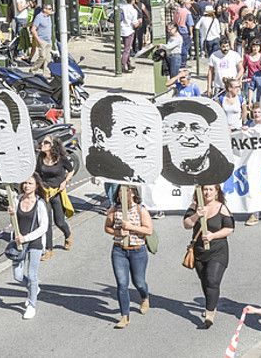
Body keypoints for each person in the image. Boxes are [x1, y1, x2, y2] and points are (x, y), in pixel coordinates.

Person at [182, 184, 235, 329]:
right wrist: (196, 215)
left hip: (218, 251)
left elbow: (230, 228)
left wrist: (213, 236)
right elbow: (186, 224)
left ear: (216, 191)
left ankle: (209, 314)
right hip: (199, 251)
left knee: (212, 280)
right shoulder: (195, 206)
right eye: (205, 189)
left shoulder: (221, 208)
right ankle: (211, 302)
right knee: (205, 280)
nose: (207, 192)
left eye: (211, 189)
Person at [105, 185, 153, 329]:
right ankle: (124, 316)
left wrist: (130, 227)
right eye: (120, 191)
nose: (122, 194)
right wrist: (118, 233)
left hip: (138, 251)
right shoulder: (114, 209)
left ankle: (144, 297)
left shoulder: (140, 210)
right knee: (122, 284)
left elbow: (149, 230)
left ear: (133, 193)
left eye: (126, 191)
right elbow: (107, 227)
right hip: (119, 251)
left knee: (139, 282)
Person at [86, 94, 163, 183]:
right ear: (100, 137)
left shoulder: (136, 173)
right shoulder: (110, 175)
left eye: (145, 132)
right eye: (129, 132)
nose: (142, 144)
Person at [158, 99, 234, 185]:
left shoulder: (223, 170)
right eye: (178, 127)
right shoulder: (155, 169)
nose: (188, 135)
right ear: (165, 131)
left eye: (196, 128)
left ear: (208, 132)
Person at [7, 174, 49, 319]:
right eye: (25, 183)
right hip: (19, 242)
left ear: (36, 186)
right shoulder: (17, 199)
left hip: (34, 242)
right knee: (18, 276)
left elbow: (44, 227)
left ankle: (32, 305)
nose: (26, 186)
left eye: (30, 183)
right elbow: (14, 223)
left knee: (32, 275)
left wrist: (27, 237)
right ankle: (34, 288)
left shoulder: (40, 203)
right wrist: (11, 215)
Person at [35, 135, 74, 261]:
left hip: (57, 193)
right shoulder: (40, 158)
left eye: (46, 142)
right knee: (46, 222)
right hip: (44, 192)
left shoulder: (61, 159)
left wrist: (65, 182)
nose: (42, 144)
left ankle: (68, 234)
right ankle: (48, 250)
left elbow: (71, 170)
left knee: (59, 222)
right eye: (42, 142)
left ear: (53, 146)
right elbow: (36, 173)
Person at [29, 4, 54, 76]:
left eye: (51, 9)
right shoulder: (39, 17)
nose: (51, 10)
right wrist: (38, 40)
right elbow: (33, 30)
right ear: (44, 9)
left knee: (48, 58)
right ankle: (32, 70)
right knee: (42, 56)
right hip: (41, 40)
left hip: (48, 40)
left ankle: (46, 74)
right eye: (49, 9)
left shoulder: (49, 17)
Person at [120, 0, 141, 72]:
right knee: (127, 49)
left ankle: (128, 64)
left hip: (122, 29)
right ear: (133, 0)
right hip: (129, 30)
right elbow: (135, 24)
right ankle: (123, 64)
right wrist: (139, 21)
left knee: (126, 47)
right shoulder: (133, 10)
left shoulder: (122, 7)